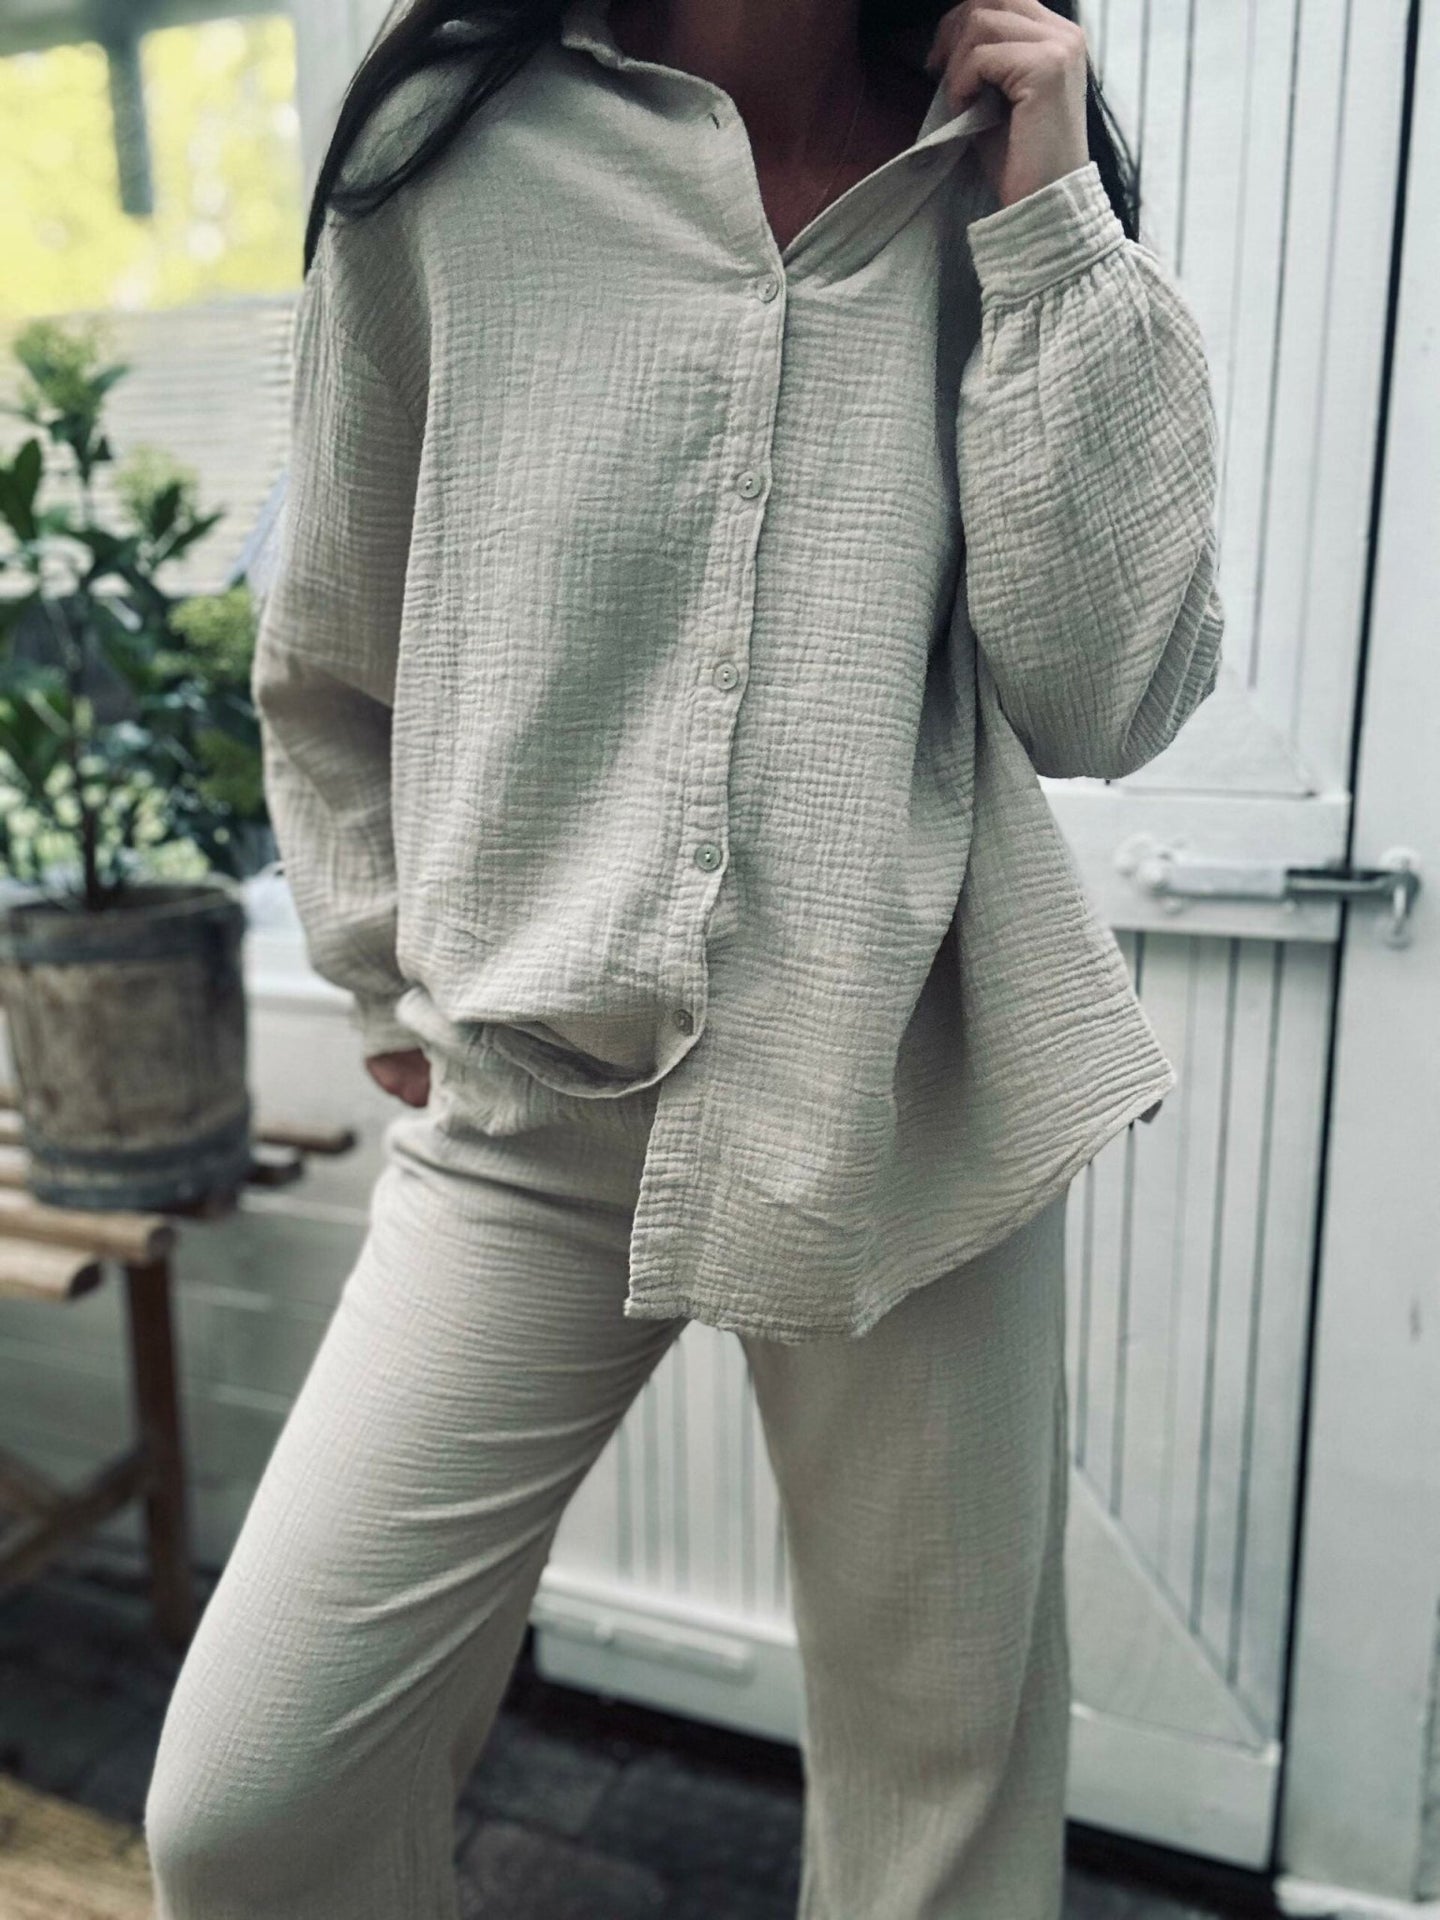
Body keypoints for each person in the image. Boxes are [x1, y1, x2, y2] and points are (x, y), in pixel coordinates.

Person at [144, 1, 1225, 1914]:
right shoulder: (449, 148)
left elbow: (1105, 698)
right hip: (531, 1095)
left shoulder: (994, 166)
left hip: (910, 1089)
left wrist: (1052, 231)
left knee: (946, 1813)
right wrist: (382, 963)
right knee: (250, 1809)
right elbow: (333, 630)